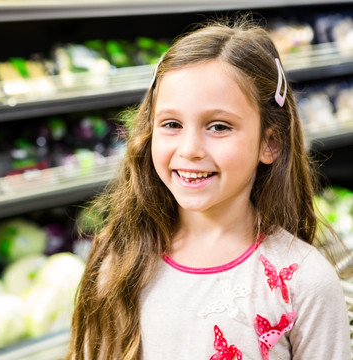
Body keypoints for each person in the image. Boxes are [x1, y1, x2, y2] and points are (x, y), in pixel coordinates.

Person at [67, 16, 352, 360]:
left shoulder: (305, 282)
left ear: (270, 143)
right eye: (171, 124)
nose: (189, 149)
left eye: (218, 126)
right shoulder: (120, 260)